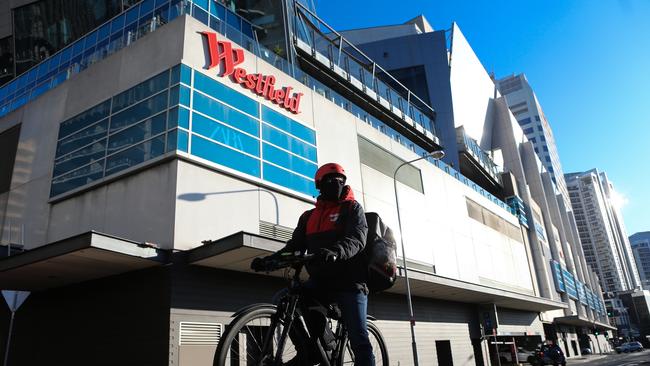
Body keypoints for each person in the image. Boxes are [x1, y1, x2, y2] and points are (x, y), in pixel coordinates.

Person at [251, 163, 373, 366]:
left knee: (359, 337)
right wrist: (270, 261)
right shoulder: (309, 217)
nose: (336, 183)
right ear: (319, 185)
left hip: (350, 284)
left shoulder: (352, 208)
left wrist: (335, 251)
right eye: (330, 180)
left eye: (340, 180)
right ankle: (310, 349)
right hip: (320, 283)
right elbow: (294, 247)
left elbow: (357, 239)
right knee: (284, 298)